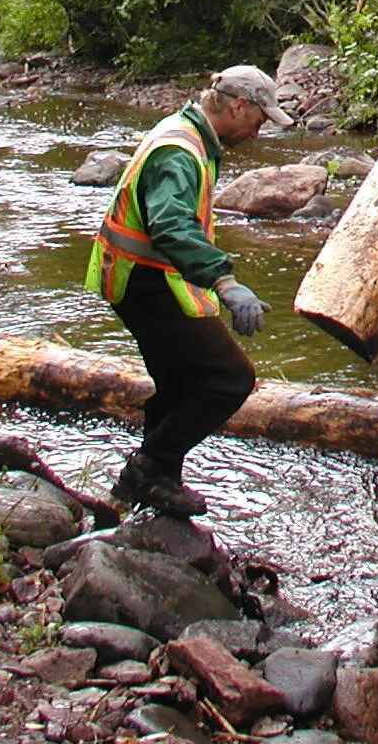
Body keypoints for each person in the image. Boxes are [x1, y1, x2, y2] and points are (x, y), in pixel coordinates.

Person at [87, 64, 292, 517]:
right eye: (259, 121)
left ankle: (153, 484)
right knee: (228, 380)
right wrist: (225, 281)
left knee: (178, 384)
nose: (258, 134)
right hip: (144, 281)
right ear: (239, 106)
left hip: (137, 276)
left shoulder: (187, 132)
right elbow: (171, 226)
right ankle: (147, 471)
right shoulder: (180, 151)